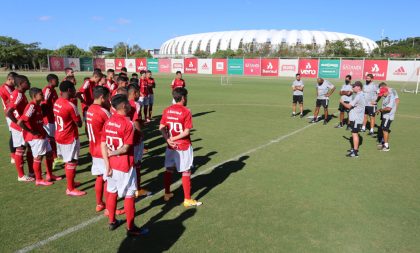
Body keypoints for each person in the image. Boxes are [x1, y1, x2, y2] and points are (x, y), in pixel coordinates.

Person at [101, 94, 149, 236]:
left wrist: (107, 164)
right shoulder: (128, 124)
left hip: (111, 165)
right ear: (123, 106)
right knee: (129, 195)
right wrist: (113, 153)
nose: (130, 105)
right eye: (127, 103)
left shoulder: (108, 121)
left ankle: (112, 221)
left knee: (112, 192)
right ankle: (131, 228)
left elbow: (103, 143)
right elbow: (126, 148)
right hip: (124, 165)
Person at [160, 87, 202, 207]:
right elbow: (186, 132)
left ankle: (167, 193)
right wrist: (173, 139)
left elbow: (161, 127)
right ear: (183, 98)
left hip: (170, 146)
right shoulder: (186, 111)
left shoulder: (167, 110)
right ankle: (187, 199)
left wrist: (168, 139)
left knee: (169, 169)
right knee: (186, 171)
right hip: (183, 146)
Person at [18, 88, 61, 185]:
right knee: (38, 157)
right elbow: (20, 122)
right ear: (34, 96)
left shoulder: (38, 106)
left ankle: (49, 175)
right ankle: (38, 179)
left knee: (49, 153)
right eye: (41, 94)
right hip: (36, 138)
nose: (43, 96)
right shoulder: (31, 106)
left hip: (42, 135)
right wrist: (31, 131)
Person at [54, 81, 86, 196]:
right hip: (69, 137)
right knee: (71, 161)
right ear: (69, 90)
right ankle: (70, 188)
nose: (75, 91)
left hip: (60, 134)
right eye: (73, 89)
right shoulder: (70, 105)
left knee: (69, 161)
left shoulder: (57, 102)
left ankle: (71, 183)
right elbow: (79, 124)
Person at [86, 86, 112, 211]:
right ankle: (109, 209)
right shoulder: (103, 112)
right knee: (108, 179)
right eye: (107, 97)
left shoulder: (89, 109)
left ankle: (99, 203)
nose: (109, 100)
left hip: (93, 148)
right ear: (102, 98)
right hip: (103, 151)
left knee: (99, 177)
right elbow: (113, 128)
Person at [6, 75, 35, 181]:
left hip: (23, 126)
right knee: (20, 149)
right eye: (27, 82)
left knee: (29, 147)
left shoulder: (20, 93)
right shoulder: (18, 95)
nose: (29, 83)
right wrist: (18, 123)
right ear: (21, 84)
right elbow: (8, 112)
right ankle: (21, 175)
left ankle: (32, 172)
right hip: (19, 128)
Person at [127, 84, 151, 197]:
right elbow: (135, 121)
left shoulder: (121, 103)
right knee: (137, 164)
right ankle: (137, 189)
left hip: (125, 138)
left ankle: (130, 186)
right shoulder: (135, 104)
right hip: (135, 138)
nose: (139, 95)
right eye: (138, 93)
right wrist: (141, 133)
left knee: (129, 163)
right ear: (134, 93)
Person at [339, 81, 365, 158]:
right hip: (357, 117)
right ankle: (354, 148)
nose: (352, 87)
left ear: (359, 87)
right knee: (354, 133)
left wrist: (342, 102)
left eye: (354, 86)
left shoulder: (358, 96)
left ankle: (355, 152)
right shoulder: (360, 94)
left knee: (354, 133)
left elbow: (349, 106)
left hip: (356, 118)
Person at [42, 74, 62, 167]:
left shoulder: (53, 90)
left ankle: (55, 157)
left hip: (53, 118)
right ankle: (54, 158)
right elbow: (44, 103)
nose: (58, 81)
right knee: (51, 139)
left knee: (53, 138)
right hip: (48, 119)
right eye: (56, 80)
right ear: (51, 80)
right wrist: (44, 118)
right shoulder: (48, 90)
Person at [0, 71, 18, 163]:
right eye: (15, 80)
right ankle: (13, 156)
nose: (16, 82)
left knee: (16, 133)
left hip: (14, 113)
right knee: (13, 134)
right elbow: (13, 97)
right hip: (9, 114)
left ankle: (17, 152)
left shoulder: (11, 86)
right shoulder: (5, 88)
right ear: (9, 79)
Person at [375, 86, 397, 151]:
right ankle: (384, 143)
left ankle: (386, 146)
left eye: (382, 94)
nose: (382, 95)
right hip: (385, 116)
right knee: (384, 129)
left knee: (385, 130)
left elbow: (389, 108)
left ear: (386, 92)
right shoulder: (386, 96)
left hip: (388, 116)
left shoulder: (391, 97)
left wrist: (380, 110)